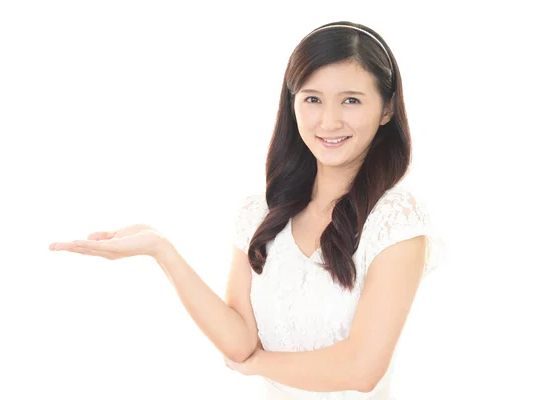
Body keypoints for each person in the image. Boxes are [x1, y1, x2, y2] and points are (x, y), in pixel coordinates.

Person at [49, 21, 443, 400]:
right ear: (292, 104)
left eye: (351, 100)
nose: (329, 120)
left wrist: (258, 365)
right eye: (312, 99)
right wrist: (161, 250)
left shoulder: (396, 220)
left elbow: (362, 369)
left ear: (387, 108)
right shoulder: (262, 215)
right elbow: (238, 341)